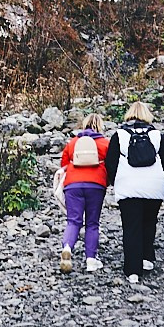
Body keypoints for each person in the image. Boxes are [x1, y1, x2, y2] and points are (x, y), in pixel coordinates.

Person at [105, 101, 164, 286]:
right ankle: (147, 258)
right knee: (149, 222)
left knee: (131, 227)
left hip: (128, 186)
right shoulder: (156, 135)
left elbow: (110, 163)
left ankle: (133, 271)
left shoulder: (119, 135)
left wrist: (114, 182)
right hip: (154, 186)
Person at [57, 115, 109, 274]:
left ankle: (67, 248)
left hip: (73, 185)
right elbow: (111, 163)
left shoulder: (73, 143)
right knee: (92, 223)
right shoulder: (105, 143)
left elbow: (64, 164)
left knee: (73, 221)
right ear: (100, 126)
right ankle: (91, 261)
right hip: (96, 185)